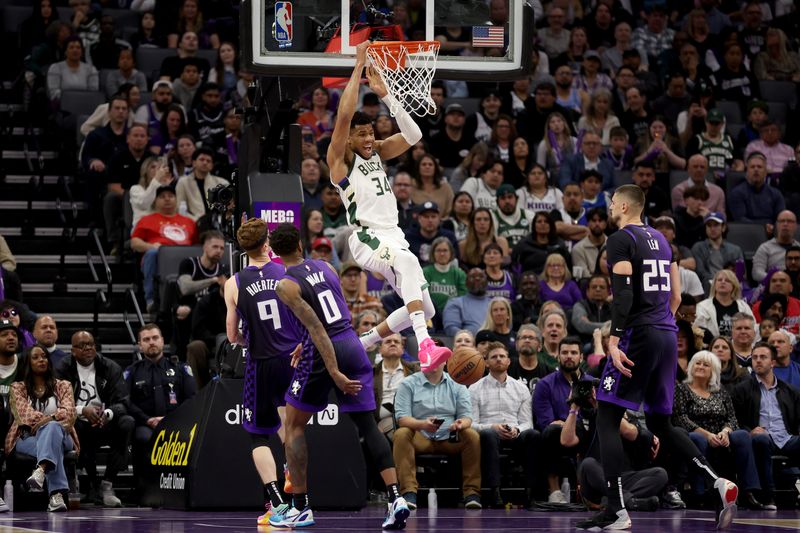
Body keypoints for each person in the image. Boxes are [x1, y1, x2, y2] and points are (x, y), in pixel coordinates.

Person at [578, 184, 738, 530]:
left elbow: (622, 297)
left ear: (622, 205)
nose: (608, 209)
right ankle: (717, 482)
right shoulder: (661, 241)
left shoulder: (620, 240)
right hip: (666, 331)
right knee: (661, 423)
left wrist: (615, 340)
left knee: (606, 414)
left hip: (639, 333)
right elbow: (677, 295)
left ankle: (616, 511)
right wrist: (660, 320)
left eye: (610, 204)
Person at [266, 223, 410, 529]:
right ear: (301, 247)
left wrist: (332, 370)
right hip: (352, 342)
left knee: (292, 426)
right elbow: (334, 316)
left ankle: (301, 507)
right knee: (367, 425)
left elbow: (318, 328)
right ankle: (395, 497)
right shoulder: (327, 267)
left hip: (324, 351)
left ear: (275, 254)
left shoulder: (285, 285)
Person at [327, 42, 451, 372]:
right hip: (367, 238)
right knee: (409, 262)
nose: (368, 140)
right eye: (361, 135)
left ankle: (364, 341)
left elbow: (413, 134)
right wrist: (357, 67)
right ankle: (425, 345)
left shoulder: (378, 153)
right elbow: (343, 117)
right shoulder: (341, 161)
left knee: (426, 309)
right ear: (349, 140)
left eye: (370, 134)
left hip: (392, 237)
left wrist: (386, 95)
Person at [222, 218, 300, 524]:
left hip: (260, 360)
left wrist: (246, 337)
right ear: (267, 242)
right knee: (291, 431)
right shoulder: (287, 271)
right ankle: (297, 497)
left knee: (257, 436)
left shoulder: (234, 282)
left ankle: (276, 501)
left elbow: (231, 335)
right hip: (292, 357)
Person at [672, 351, 768, 509]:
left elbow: (731, 419)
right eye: (698, 363)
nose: (701, 366)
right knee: (698, 439)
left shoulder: (721, 392)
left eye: (706, 364)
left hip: (720, 437)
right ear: (690, 367)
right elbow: (681, 418)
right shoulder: (681, 389)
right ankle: (700, 494)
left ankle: (749, 492)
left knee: (742, 435)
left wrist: (725, 432)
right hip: (696, 436)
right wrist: (708, 435)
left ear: (713, 371)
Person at [392, 346, 481, 510]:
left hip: (449, 436)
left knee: (472, 435)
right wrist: (422, 424)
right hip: (421, 436)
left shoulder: (457, 384)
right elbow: (402, 418)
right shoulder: (408, 384)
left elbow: (467, 416)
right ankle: (409, 492)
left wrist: (460, 424)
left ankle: (471, 493)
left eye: (437, 359)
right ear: (422, 362)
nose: (433, 362)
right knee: (401, 433)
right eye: (428, 359)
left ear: (445, 362)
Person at [54, 331, 133, 507]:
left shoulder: (110, 367)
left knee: (127, 422)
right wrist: (82, 410)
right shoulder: (63, 368)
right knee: (76, 427)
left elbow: (123, 402)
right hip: (77, 421)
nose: (87, 348)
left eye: (90, 344)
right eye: (82, 346)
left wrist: (107, 414)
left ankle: (107, 485)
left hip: (104, 421)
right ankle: (88, 484)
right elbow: (56, 404)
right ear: (72, 350)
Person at [6, 344, 77, 513]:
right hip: (27, 439)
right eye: (36, 357)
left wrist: (50, 419)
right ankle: (55, 496)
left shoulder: (63, 386)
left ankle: (41, 470)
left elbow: (69, 412)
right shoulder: (18, 388)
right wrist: (53, 418)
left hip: (64, 436)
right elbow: (25, 416)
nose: (41, 360)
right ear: (27, 363)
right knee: (53, 443)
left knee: (53, 428)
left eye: (44, 356)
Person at [470, 341, 541, 508]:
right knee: (489, 434)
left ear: (509, 361)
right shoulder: (474, 389)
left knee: (534, 435)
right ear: (486, 362)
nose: (499, 359)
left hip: (514, 434)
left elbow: (527, 423)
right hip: (488, 435)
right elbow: (471, 423)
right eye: (494, 357)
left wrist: (517, 430)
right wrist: (492, 427)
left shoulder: (521, 388)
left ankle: (532, 492)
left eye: (502, 356)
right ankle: (494, 492)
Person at [124, 324, 196, 482]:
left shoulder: (180, 368)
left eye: (155, 338)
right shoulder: (132, 371)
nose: (151, 342)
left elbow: (191, 399)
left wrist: (168, 420)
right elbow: (126, 401)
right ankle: (143, 488)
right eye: (146, 339)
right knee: (142, 437)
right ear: (140, 345)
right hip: (145, 424)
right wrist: (147, 419)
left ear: (162, 341)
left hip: (176, 423)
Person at [730, 342, 800, 502]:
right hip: (762, 436)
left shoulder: (790, 391)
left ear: (773, 363)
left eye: (763, 357)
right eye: (754, 357)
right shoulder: (742, 389)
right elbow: (734, 419)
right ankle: (767, 497)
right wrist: (749, 431)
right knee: (760, 439)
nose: (758, 361)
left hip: (787, 438)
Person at [533, 336, 586, 502]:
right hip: (557, 436)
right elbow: (546, 421)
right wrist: (567, 425)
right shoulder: (545, 384)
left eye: (573, 352)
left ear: (581, 357)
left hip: (585, 432)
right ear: (558, 356)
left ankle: (591, 490)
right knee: (551, 431)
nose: (569, 356)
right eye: (564, 352)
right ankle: (554, 489)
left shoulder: (592, 385)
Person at [130, 184, 197, 311]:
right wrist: (151, 246)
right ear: (155, 201)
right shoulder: (146, 220)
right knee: (152, 253)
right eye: (162, 196)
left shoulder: (189, 222)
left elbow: (197, 245)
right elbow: (134, 242)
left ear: (176, 200)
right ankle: (151, 300)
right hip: (158, 256)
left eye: (171, 196)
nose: (167, 199)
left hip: (184, 257)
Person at [373, 334, 417, 438]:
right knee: (402, 434)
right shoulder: (371, 373)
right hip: (384, 421)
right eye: (388, 342)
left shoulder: (414, 371)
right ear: (380, 349)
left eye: (396, 342)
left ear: (402, 349)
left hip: (412, 418)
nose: (392, 343)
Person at [694, 270, 756, 339]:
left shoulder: (744, 306)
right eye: (719, 280)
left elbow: (753, 328)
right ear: (714, 285)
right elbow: (698, 331)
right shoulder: (703, 306)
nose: (723, 282)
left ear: (734, 285)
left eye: (727, 280)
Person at [729, 152, 786, 225]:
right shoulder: (737, 193)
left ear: (765, 172)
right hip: (747, 232)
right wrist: (763, 227)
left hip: (772, 232)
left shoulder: (776, 194)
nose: (756, 169)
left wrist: (773, 228)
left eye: (759, 167)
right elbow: (740, 219)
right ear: (747, 172)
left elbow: (781, 218)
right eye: (752, 167)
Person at [691, 212, 744, 290]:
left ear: (723, 227)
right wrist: (718, 281)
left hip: (731, 284)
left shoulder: (735, 250)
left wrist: (727, 280)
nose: (712, 229)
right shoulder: (698, 247)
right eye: (709, 225)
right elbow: (700, 272)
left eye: (716, 225)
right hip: (708, 285)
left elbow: (741, 274)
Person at [752, 211, 799, 282]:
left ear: (796, 226)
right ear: (777, 225)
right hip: (774, 287)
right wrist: (777, 279)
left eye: (790, 221)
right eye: (782, 221)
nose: (785, 224)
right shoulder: (765, 248)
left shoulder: (798, 247)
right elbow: (756, 273)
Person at [442, 268, 491, 336]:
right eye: (472, 277)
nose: (477, 278)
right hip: (467, 344)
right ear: (466, 283)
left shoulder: (494, 304)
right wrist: (468, 339)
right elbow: (451, 329)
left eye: (481, 276)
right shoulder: (455, 303)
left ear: (487, 282)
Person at [492, 184, 533, 249]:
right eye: (503, 198)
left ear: (516, 199)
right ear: (497, 202)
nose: (507, 201)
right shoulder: (492, 216)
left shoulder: (529, 215)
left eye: (510, 197)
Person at [571, 208, 608, 281]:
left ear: (605, 224)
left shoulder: (614, 245)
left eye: (600, 221)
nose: (597, 224)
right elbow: (583, 276)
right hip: (589, 285)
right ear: (588, 224)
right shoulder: (578, 248)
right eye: (594, 221)